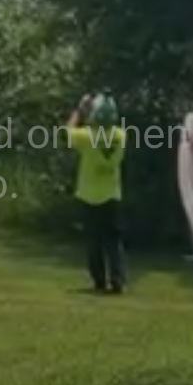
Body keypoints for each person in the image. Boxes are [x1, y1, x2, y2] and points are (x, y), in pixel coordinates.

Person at [66, 92, 127, 293]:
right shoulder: (120, 135)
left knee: (94, 242)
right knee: (113, 241)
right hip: (112, 195)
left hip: (89, 195)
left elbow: (69, 132)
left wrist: (80, 110)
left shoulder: (87, 136)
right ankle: (118, 280)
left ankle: (99, 281)